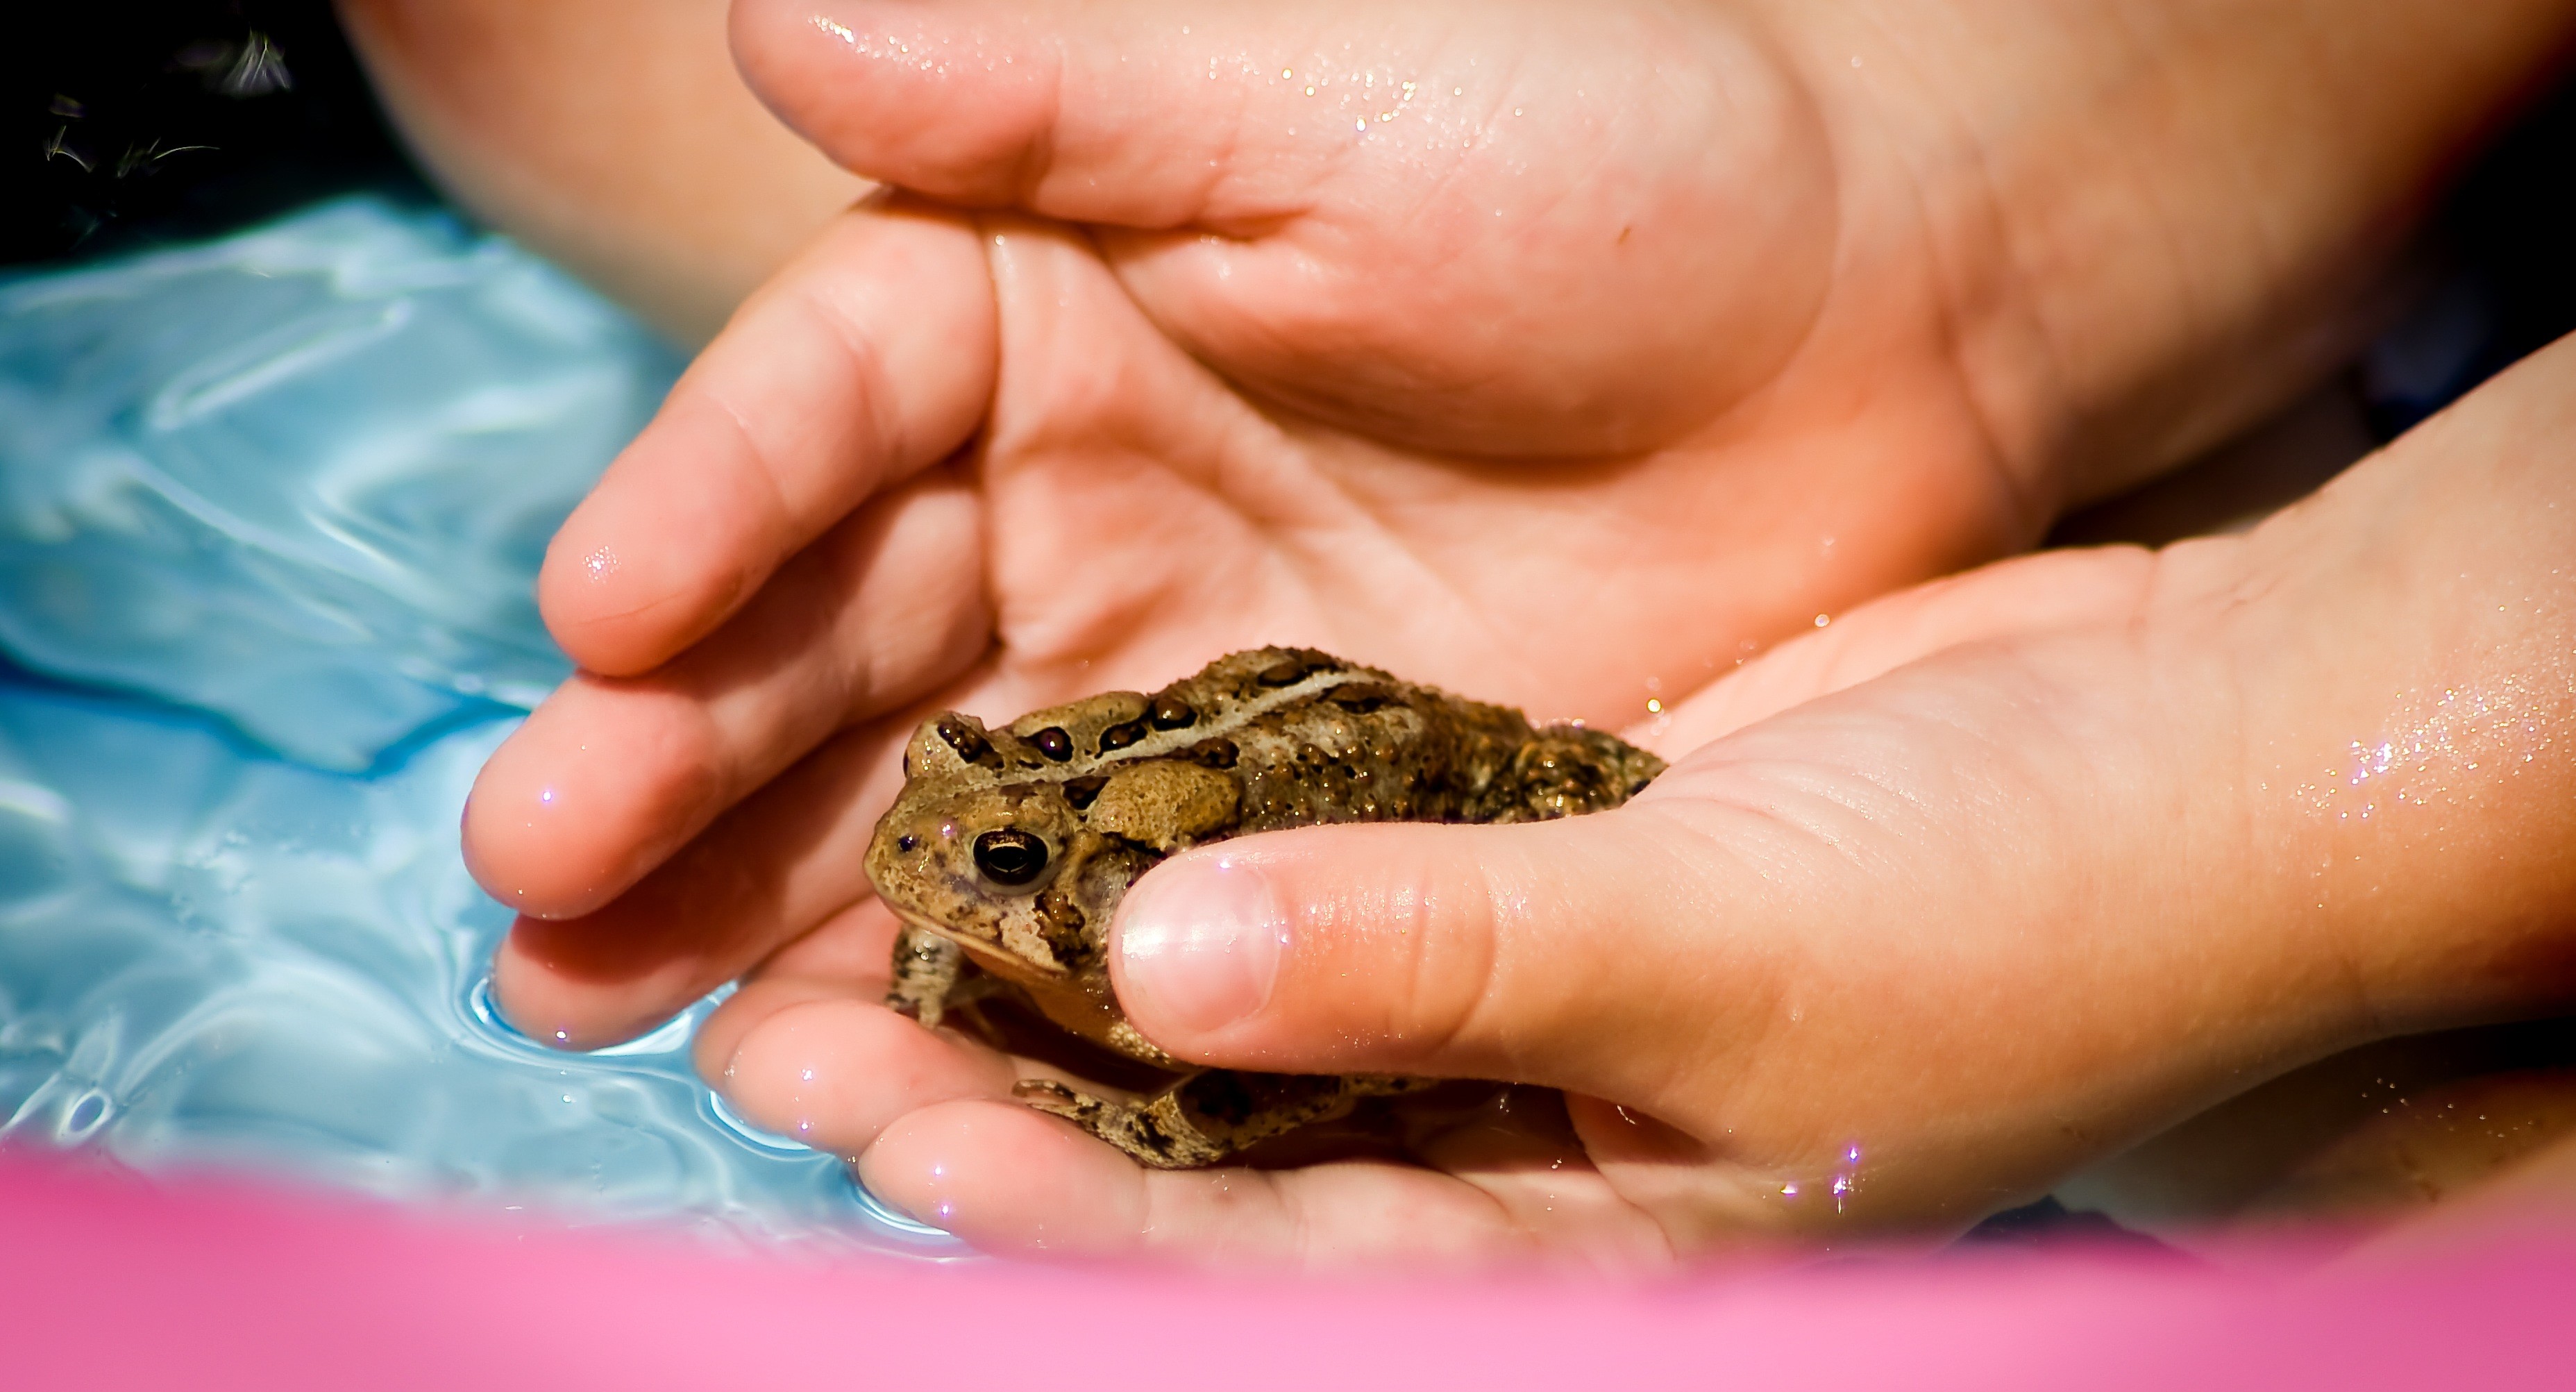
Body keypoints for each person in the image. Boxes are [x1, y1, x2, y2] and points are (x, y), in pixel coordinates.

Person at [351, 0, 2576, 1265]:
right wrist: (1936, 233)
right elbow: (970, 876)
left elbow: (1269, 1047)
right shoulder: (1003, 853)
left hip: (1445, 752)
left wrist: (2301, 785)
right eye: (966, 831)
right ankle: (2143, 381)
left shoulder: (1165, 921)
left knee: (2409, 1173)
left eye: (996, 870)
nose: (941, 885)